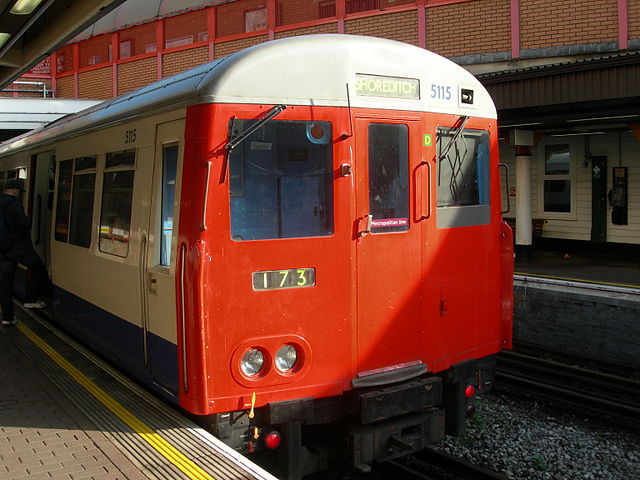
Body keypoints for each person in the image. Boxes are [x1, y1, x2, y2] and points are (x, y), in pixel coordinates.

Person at [0, 178, 48, 326]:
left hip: (2, 249)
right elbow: (23, 224)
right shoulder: (15, 205)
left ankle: (7, 317)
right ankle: (30, 300)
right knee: (38, 266)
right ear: (15, 191)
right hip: (16, 247)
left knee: (5, 284)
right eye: (20, 192)